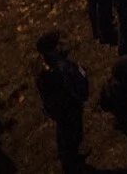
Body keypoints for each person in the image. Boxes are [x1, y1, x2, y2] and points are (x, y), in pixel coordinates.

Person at [31, 31, 89, 172]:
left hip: (61, 109)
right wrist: (79, 99)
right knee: (72, 134)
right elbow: (68, 91)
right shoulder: (56, 71)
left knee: (65, 133)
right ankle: (71, 162)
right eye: (57, 44)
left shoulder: (48, 63)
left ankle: (69, 157)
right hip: (68, 109)